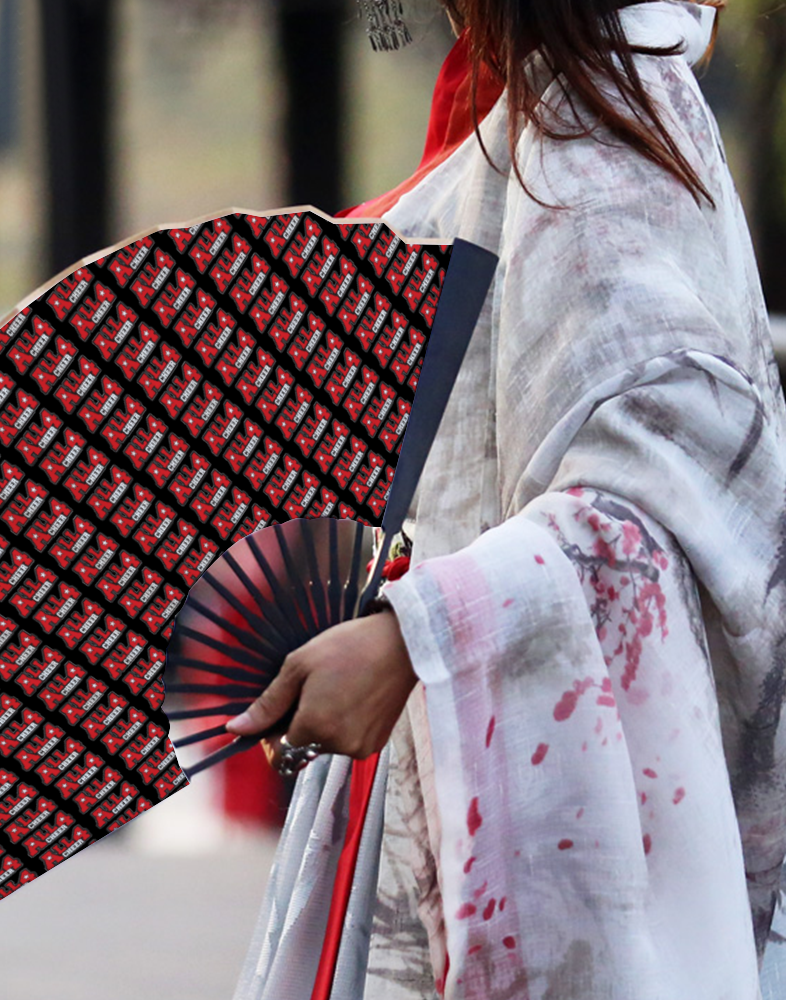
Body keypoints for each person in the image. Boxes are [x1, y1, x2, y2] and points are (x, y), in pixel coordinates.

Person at [225, 0, 786, 997]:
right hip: (451, 752)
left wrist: (413, 635)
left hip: (537, 782)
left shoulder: (599, 144)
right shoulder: (557, 119)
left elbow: (660, 500)